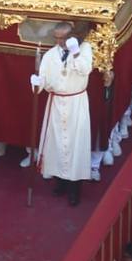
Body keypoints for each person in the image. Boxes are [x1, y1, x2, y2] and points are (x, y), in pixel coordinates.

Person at [29, 23, 95, 204]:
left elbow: (85, 69)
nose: (59, 42)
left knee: (75, 145)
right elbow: (42, 82)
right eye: (56, 38)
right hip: (56, 102)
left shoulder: (84, 48)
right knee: (57, 144)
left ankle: (75, 188)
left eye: (63, 38)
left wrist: (75, 52)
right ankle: (60, 182)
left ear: (72, 36)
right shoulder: (50, 55)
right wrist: (36, 83)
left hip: (76, 103)